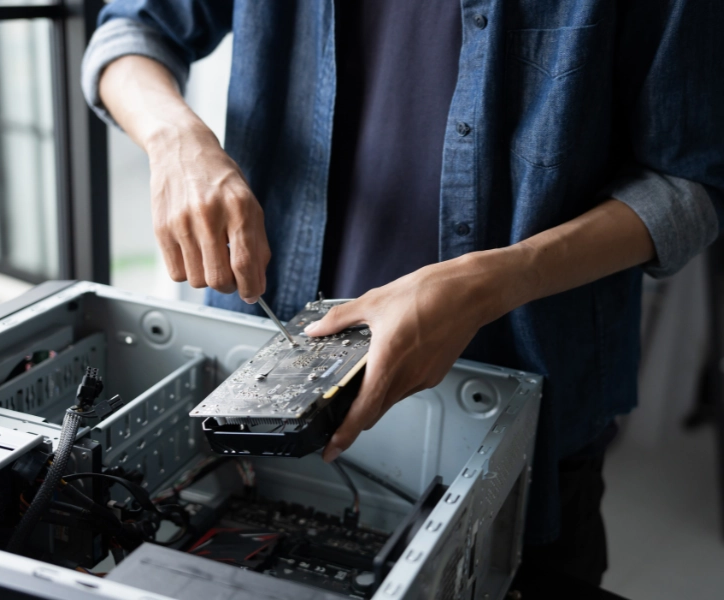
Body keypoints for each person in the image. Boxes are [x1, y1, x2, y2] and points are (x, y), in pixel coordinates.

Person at [82, 0, 723, 586]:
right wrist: (175, 141)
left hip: (526, 403)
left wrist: (494, 280)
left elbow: (691, 183)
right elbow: (131, 30)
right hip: (260, 392)